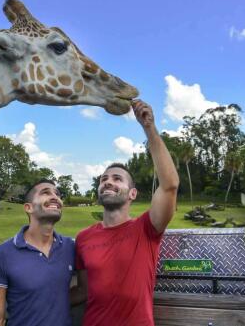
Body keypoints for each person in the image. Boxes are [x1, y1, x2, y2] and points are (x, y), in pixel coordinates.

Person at [71, 100, 179, 326]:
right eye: (104, 179)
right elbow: (84, 291)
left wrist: (149, 128)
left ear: (132, 194)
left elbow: (169, 185)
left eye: (117, 179)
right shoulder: (83, 238)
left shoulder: (147, 229)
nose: (108, 182)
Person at [0, 179, 75, 326]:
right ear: (28, 207)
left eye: (58, 194)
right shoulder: (1, 255)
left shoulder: (71, 247)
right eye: (45, 193)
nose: (55, 197)